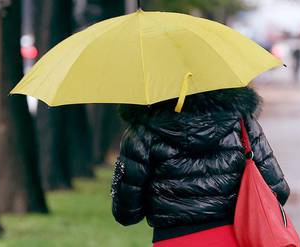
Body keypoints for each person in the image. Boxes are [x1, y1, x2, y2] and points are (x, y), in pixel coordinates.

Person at [110, 87, 290, 247]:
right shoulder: (241, 122)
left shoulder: (141, 132)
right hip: (232, 237)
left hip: (172, 239)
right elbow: (278, 190)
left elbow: (126, 214)